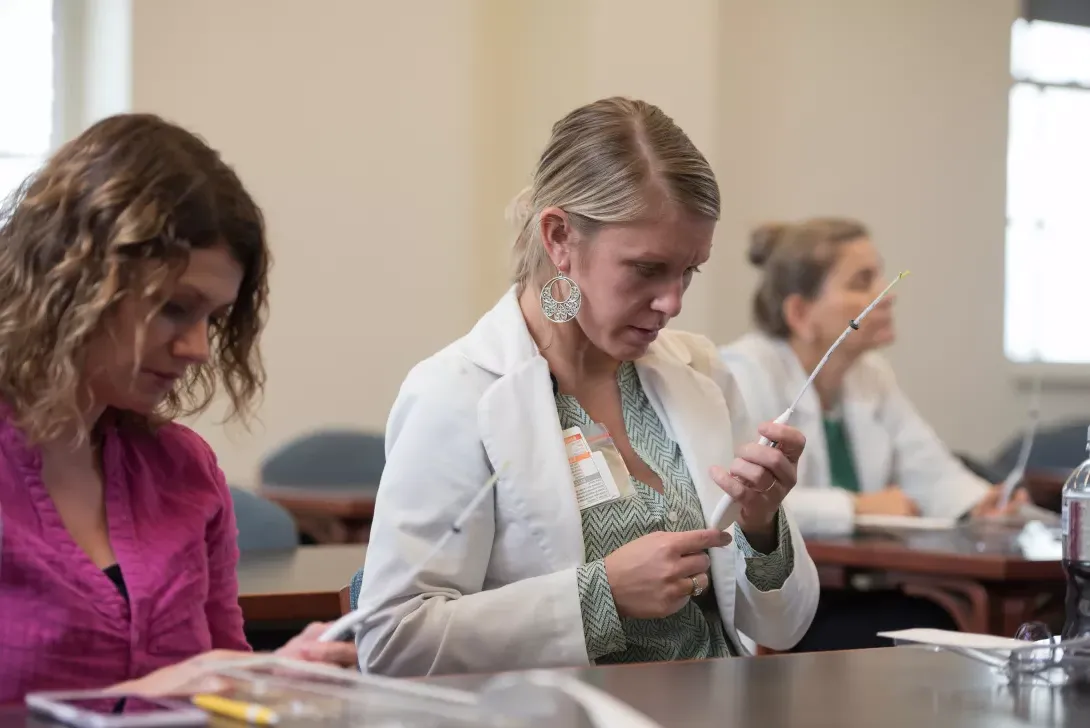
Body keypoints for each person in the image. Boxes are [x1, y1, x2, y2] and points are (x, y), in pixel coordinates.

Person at [355, 97, 819, 677]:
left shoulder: (700, 371)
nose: (672, 302)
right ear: (559, 238)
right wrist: (599, 596)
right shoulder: (457, 393)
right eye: (647, 269)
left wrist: (763, 525)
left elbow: (784, 625)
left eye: (689, 271)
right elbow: (393, 643)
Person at [0, 114, 354, 702]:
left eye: (212, 319)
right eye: (172, 308)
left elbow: (216, 679)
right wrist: (140, 694)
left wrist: (268, 677)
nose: (195, 348)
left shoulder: (183, 470)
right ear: (73, 281)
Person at [719, 217, 1023, 650]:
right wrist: (857, 507)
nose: (887, 292)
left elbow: (930, 470)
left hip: (852, 590)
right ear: (800, 313)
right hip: (778, 610)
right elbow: (736, 503)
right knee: (939, 629)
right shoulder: (744, 372)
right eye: (863, 281)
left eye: (880, 275)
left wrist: (984, 504)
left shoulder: (870, 375)